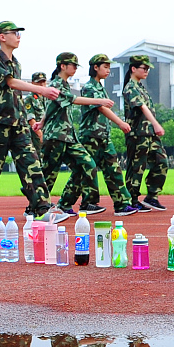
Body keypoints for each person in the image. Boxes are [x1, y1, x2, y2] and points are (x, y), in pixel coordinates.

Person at [0, 21, 62, 228]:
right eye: (15, 33)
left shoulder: (16, 63)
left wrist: (29, 121)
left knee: (31, 164)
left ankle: (43, 209)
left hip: (18, 125)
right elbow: (10, 83)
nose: (19, 36)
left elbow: (16, 94)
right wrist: (41, 90)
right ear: (2, 36)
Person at [38, 52, 114, 221]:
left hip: (68, 136)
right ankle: (35, 206)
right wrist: (99, 101)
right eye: (72, 65)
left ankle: (85, 203)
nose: (75, 68)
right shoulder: (57, 84)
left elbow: (51, 108)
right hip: (56, 135)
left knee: (87, 164)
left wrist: (41, 122)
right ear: (62, 66)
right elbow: (72, 100)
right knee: (49, 174)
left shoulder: (63, 83)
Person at [79, 55, 139, 216]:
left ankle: (121, 204)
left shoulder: (100, 87)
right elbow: (101, 108)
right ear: (96, 67)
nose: (108, 70)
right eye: (105, 67)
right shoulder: (89, 88)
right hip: (90, 135)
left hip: (103, 136)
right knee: (84, 171)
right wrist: (120, 122)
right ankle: (78, 203)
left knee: (114, 169)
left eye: (108, 67)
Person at [122, 54, 169, 211]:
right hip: (137, 134)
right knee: (136, 167)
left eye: (148, 68)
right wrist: (156, 124)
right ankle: (132, 199)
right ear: (133, 69)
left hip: (150, 134)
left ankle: (152, 196)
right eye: (144, 68)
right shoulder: (130, 88)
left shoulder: (141, 87)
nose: (147, 71)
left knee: (161, 162)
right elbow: (142, 107)